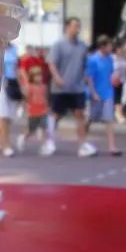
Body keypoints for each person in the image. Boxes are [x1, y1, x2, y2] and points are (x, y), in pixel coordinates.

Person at [46, 17, 97, 157]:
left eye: (78, 26)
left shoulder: (82, 46)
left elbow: (85, 65)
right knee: (55, 115)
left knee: (80, 114)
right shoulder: (59, 45)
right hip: (60, 88)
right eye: (75, 26)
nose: (77, 29)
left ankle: (82, 145)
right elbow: (51, 63)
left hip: (77, 87)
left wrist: (85, 78)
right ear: (67, 27)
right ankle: (50, 142)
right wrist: (57, 77)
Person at [86, 35, 122, 156]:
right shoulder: (93, 60)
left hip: (108, 93)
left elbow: (111, 73)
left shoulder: (110, 59)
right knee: (91, 119)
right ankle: (82, 140)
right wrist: (93, 93)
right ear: (102, 47)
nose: (111, 48)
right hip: (96, 93)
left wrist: (115, 78)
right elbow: (89, 78)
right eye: (109, 46)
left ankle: (112, 147)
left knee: (109, 120)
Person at [0, 42, 21, 158]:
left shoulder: (14, 49)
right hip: (0, 84)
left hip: (12, 85)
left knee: (10, 117)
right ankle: (5, 145)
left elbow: (17, 68)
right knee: (4, 115)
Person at [16, 66, 52, 155]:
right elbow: (27, 99)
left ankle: (43, 147)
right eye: (36, 76)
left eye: (40, 75)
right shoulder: (30, 87)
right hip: (33, 111)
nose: (39, 78)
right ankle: (22, 138)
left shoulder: (44, 87)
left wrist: (48, 107)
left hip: (43, 110)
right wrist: (25, 108)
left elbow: (46, 98)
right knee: (31, 130)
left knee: (43, 128)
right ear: (32, 77)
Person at [112, 42, 126, 123]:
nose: (121, 50)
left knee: (120, 98)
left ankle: (118, 113)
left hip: (123, 80)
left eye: (122, 49)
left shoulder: (124, 58)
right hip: (114, 80)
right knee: (117, 98)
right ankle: (119, 115)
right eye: (119, 49)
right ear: (116, 50)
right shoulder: (112, 58)